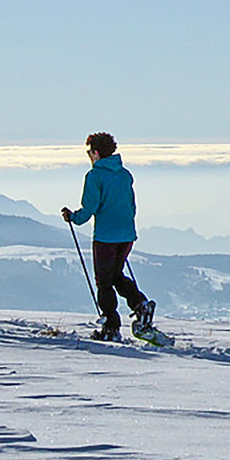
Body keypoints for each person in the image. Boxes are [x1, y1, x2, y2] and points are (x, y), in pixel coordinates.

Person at [61, 132, 155, 341]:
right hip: (127, 235)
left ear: (95, 153)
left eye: (89, 151)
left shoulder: (95, 176)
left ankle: (111, 328)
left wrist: (72, 217)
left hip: (106, 237)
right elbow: (132, 206)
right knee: (116, 275)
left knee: (104, 282)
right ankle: (140, 305)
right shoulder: (124, 174)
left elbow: (90, 208)